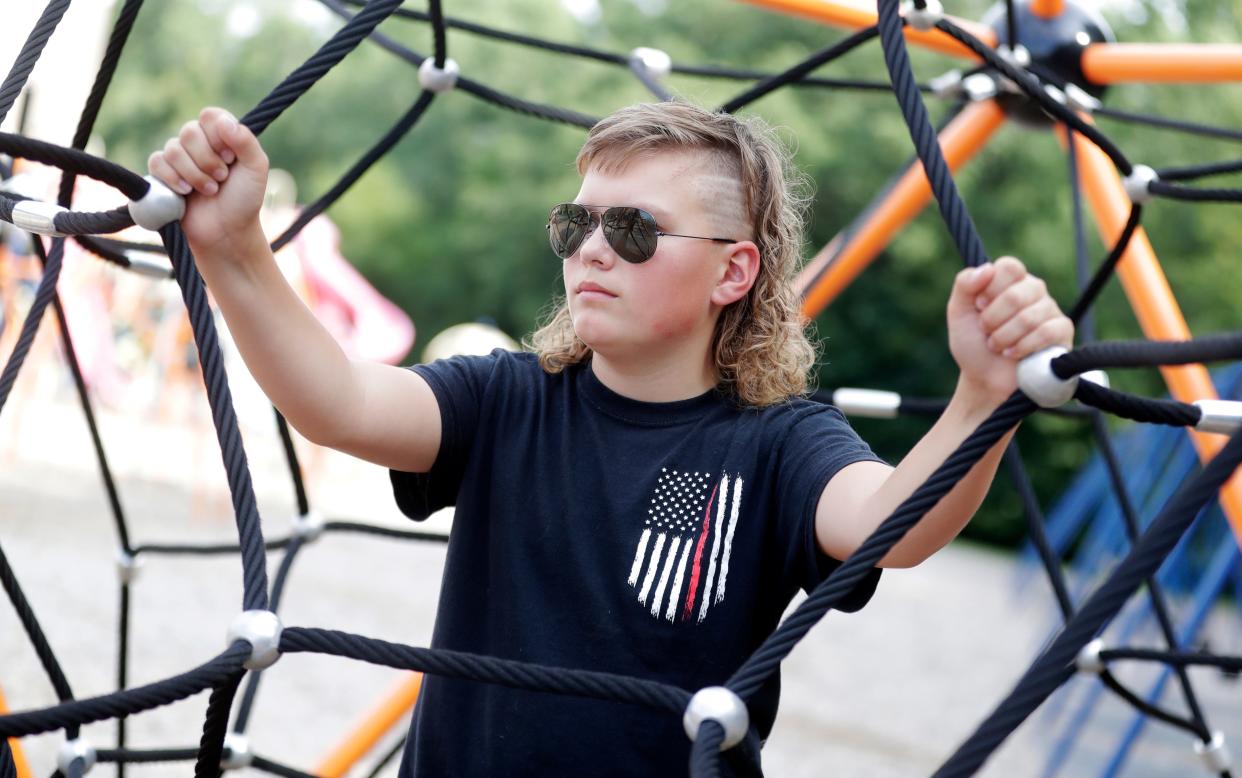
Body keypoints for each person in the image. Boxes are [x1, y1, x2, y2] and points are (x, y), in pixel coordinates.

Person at [149, 101, 1072, 777]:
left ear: (733, 271)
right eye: (575, 222)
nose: (592, 247)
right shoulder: (510, 399)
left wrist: (982, 399)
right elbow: (338, 402)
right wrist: (235, 250)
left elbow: (891, 525)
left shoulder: (778, 444)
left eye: (632, 229)